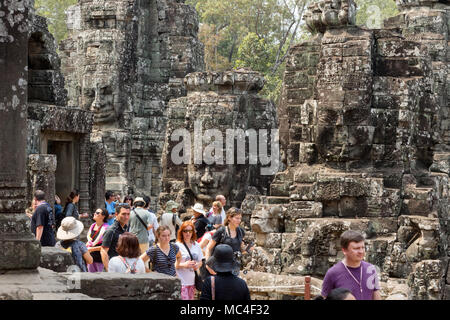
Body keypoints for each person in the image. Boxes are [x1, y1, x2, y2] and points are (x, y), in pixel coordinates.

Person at [321, 230, 381, 300]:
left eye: (363, 247)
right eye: (356, 248)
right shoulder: (332, 273)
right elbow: (324, 297)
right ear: (344, 250)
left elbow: (376, 296)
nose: (361, 251)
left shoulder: (371, 269)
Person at [205, 207, 250, 276]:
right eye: (237, 218)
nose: (239, 220)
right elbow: (208, 248)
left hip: (234, 267)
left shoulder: (241, 231)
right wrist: (208, 265)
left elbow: (241, 249)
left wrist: (249, 249)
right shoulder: (221, 231)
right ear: (229, 218)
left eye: (240, 218)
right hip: (219, 267)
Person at [175, 221, 204, 300]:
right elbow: (172, 264)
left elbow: (201, 261)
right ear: (181, 232)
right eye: (185, 231)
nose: (188, 233)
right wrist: (184, 265)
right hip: (181, 282)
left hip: (192, 282)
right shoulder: (177, 246)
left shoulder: (196, 245)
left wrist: (198, 265)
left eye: (190, 231)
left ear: (193, 232)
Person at [101, 204, 131, 271]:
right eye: (123, 214)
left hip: (124, 266)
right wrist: (108, 270)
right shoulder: (111, 230)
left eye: (128, 214)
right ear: (116, 214)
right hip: (113, 267)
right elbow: (103, 251)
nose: (126, 217)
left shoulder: (126, 228)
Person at [86, 208, 109, 272]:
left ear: (103, 216)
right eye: (95, 212)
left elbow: (105, 246)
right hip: (91, 256)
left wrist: (91, 248)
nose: (95, 214)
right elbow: (89, 238)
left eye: (98, 213)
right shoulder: (92, 225)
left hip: (100, 257)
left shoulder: (106, 228)